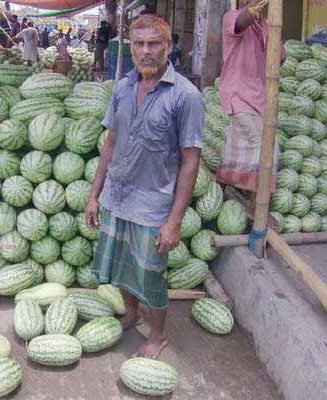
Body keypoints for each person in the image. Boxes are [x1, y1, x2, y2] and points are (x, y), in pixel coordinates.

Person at [86, 14, 204, 359]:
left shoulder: (186, 96)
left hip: (153, 204)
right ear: (131, 48)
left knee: (151, 275)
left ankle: (157, 335)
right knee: (120, 265)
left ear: (168, 47)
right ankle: (132, 313)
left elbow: (190, 160)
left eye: (154, 43)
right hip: (118, 196)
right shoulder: (122, 87)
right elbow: (110, 143)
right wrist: (94, 194)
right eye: (139, 44)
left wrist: (175, 220)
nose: (146, 51)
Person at [216, 0, 282, 211]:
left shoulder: (265, 25)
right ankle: (257, 207)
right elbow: (242, 19)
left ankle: (220, 187)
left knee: (237, 149)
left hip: (259, 99)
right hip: (239, 96)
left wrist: (272, 30)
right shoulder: (232, 17)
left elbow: (281, 56)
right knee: (268, 149)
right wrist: (257, 5)